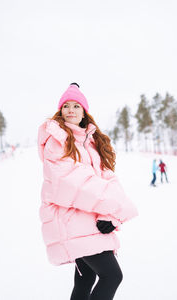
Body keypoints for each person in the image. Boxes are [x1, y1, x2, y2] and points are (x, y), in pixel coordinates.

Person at [38, 83, 138, 300]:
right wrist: (117, 208)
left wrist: (112, 215)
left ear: (84, 112)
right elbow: (75, 183)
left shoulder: (89, 142)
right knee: (112, 276)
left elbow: (107, 178)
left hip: (88, 218)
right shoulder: (57, 141)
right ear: (60, 110)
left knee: (86, 278)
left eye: (76, 106)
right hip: (71, 219)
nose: (70, 110)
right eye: (66, 106)